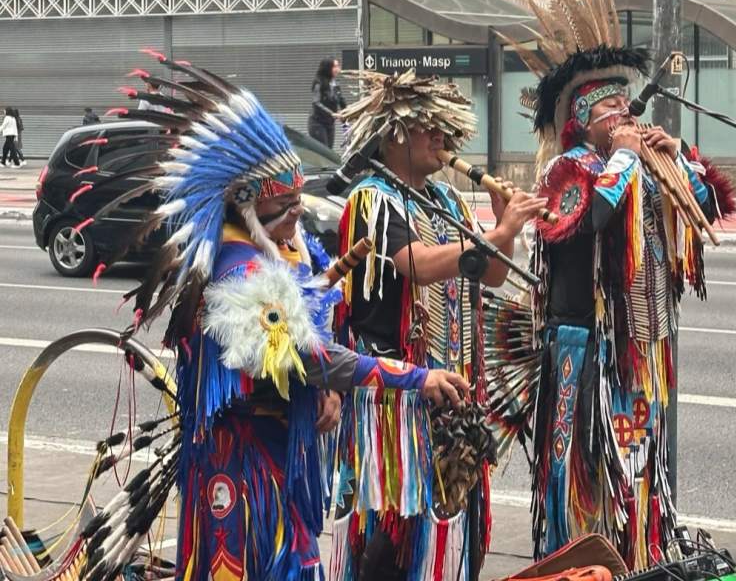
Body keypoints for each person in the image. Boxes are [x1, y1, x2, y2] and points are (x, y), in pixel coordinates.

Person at [57, 53, 467, 581]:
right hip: (241, 463)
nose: (299, 217)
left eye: (299, 202)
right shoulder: (239, 270)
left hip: (277, 455)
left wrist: (330, 392)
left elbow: (318, 319)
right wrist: (416, 377)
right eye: (288, 205)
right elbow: (311, 355)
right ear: (248, 206)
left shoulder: (278, 247)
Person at [495, 0, 736, 570]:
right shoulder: (567, 169)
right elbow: (587, 222)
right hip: (586, 351)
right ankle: (578, 561)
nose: (625, 115)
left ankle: (632, 556)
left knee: (636, 471)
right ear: (581, 117)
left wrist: (677, 155)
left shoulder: (641, 167)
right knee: (586, 472)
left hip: (639, 350)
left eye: (625, 106)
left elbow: (707, 207)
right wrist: (628, 157)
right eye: (611, 109)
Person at [331, 70, 549, 581]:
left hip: (447, 389)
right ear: (395, 133)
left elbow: (491, 272)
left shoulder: (446, 201)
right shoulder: (372, 199)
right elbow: (418, 263)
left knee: (451, 531)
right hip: (394, 394)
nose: (444, 142)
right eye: (431, 129)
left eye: (447, 131)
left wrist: (503, 231)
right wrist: (498, 231)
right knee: (394, 529)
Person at [308, 57, 346, 148]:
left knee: (329, 152)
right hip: (318, 123)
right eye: (335, 66)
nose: (338, 69)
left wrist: (347, 112)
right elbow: (316, 103)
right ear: (328, 68)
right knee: (323, 151)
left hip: (330, 123)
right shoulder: (319, 82)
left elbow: (341, 100)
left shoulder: (335, 83)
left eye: (338, 66)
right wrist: (332, 114)